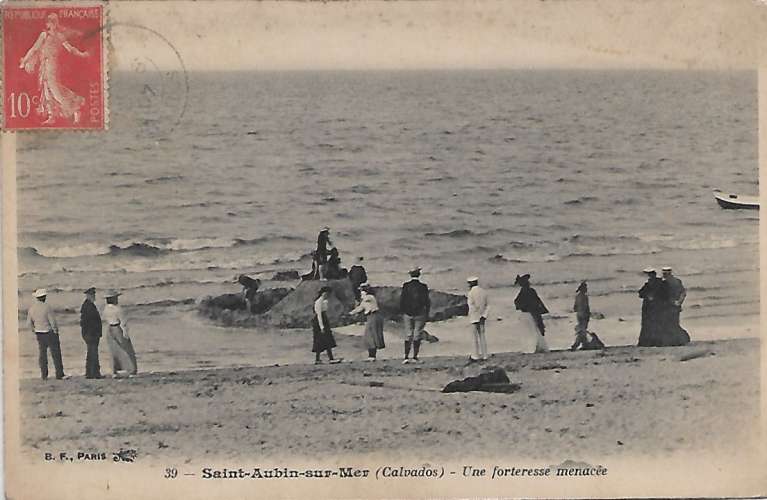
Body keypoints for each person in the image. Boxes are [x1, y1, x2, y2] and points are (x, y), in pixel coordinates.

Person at [18, 13, 90, 125]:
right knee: (47, 90)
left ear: (55, 23)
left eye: (53, 22)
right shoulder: (44, 35)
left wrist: (82, 54)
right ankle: (52, 116)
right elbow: (34, 49)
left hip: (51, 65)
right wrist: (25, 60)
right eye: (49, 22)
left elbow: (70, 49)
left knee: (55, 90)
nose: (51, 24)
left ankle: (75, 110)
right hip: (44, 65)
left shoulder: (59, 36)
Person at [26, 288, 66, 380]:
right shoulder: (47, 307)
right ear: (44, 297)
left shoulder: (32, 308)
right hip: (49, 332)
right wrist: (56, 331)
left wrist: (34, 330)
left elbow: (29, 323)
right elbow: (52, 321)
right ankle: (59, 374)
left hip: (39, 333)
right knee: (56, 354)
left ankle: (44, 374)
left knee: (42, 354)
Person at [103, 290, 138, 377]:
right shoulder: (118, 309)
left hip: (109, 328)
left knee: (114, 350)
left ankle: (114, 370)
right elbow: (123, 321)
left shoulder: (106, 309)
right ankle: (131, 369)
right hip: (117, 328)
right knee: (126, 349)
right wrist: (125, 332)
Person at [400, 267, 430, 364]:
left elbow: (402, 300)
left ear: (410, 275)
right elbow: (426, 301)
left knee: (408, 334)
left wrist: (403, 311)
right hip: (420, 313)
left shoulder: (406, 286)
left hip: (408, 313)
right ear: (419, 274)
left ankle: (405, 357)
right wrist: (427, 313)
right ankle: (415, 357)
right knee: (417, 335)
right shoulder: (423, 286)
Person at [514, 274, 549, 353]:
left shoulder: (523, 292)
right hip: (532, 312)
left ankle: (530, 348)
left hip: (526, 314)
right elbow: (538, 300)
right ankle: (535, 347)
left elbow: (516, 302)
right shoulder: (531, 291)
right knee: (536, 329)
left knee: (529, 331)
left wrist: (521, 307)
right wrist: (544, 309)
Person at [349, 283, 385, 361]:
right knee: (371, 335)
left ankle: (372, 356)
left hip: (374, 316)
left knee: (371, 335)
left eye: (362, 290)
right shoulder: (367, 299)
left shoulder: (370, 297)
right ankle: (372, 355)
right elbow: (360, 308)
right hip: (371, 317)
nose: (361, 292)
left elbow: (365, 301)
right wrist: (351, 313)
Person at [660, 266, 690, 346]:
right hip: (674, 306)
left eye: (665, 273)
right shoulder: (677, 281)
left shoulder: (665, 283)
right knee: (673, 323)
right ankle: (679, 340)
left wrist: (678, 302)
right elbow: (683, 293)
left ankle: (680, 340)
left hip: (669, 306)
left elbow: (682, 293)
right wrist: (679, 302)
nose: (664, 275)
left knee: (670, 324)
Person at [637, 268, 667, 347]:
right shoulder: (660, 283)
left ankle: (649, 342)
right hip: (656, 307)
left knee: (649, 324)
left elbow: (641, 293)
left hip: (651, 307)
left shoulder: (651, 283)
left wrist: (648, 296)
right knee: (656, 324)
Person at [312, 286, 341, 364]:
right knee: (323, 340)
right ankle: (329, 358)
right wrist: (321, 326)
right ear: (323, 293)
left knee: (324, 340)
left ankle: (321, 359)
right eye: (327, 293)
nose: (328, 295)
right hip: (319, 321)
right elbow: (319, 315)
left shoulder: (324, 301)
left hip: (323, 320)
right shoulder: (318, 302)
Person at [80, 287, 103, 379]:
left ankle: (90, 372)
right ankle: (94, 373)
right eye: (92, 294)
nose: (94, 296)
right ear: (89, 295)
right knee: (93, 353)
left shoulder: (87, 305)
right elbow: (90, 321)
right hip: (91, 333)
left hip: (89, 333)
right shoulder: (89, 306)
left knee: (91, 353)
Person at [466, 276, 490, 362]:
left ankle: (475, 356)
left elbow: (471, 306)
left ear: (471, 284)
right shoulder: (483, 292)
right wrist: (483, 315)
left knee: (474, 337)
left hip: (474, 317)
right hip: (482, 316)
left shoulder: (471, 293)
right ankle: (485, 355)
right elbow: (487, 305)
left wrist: (475, 315)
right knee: (482, 336)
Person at [571, 281, 591, 351]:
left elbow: (574, 308)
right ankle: (576, 344)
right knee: (583, 330)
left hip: (579, 314)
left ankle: (584, 344)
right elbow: (586, 307)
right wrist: (588, 314)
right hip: (584, 314)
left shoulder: (577, 296)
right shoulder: (585, 297)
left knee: (582, 330)